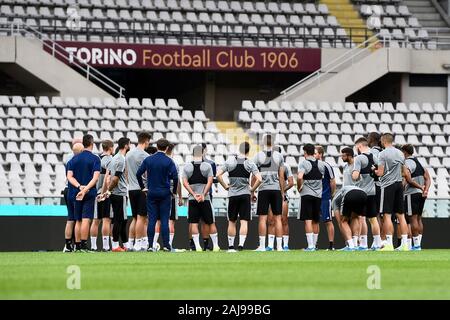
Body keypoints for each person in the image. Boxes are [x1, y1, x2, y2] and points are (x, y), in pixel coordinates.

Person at [216, 141, 262, 252]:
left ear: (239, 149)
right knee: (244, 221)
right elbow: (260, 179)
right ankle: (241, 245)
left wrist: (225, 186)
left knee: (232, 221)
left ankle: (231, 246)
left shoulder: (229, 161)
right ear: (248, 151)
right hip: (245, 195)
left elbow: (218, 175)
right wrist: (252, 189)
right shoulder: (250, 163)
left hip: (232, 195)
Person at [137, 138, 179, 252]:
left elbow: (138, 173)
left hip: (151, 192)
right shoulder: (169, 161)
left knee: (152, 220)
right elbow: (175, 177)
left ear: (157, 147)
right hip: (165, 193)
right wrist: (174, 192)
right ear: (166, 148)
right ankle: (166, 245)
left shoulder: (149, 159)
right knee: (165, 220)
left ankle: (150, 246)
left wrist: (143, 188)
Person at [374, 133, 410, 251]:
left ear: (383, 141)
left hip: (387, 185)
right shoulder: (400, 153)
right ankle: (405, 245)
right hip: (399, 184)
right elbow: (404, 172)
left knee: (387, 215)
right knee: (401, 216)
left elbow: (380, 172)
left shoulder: (382, 154)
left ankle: (389, 244)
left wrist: (374, 170)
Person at [66, 134, 101, 252]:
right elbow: (95, 178)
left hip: (76, 192)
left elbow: (69, 177)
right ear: (92, 143)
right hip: (89, 192)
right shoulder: (96, 159)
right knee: (86, 219)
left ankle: (77, 245)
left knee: (78, 219)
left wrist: (79, 187)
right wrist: (85, 190)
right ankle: (84, 245)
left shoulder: (73, 159)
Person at [182, 145, 219, 251]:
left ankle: (197, 246)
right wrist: (203, 194)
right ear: (202, 153)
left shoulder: (187, 166)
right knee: (209, 222)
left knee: (193, 223)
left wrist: (194, 194)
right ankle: (215, 246)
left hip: (193, 199)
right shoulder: (207, 166)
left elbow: (184, 183)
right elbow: (210, 181)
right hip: (205, 198)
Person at [253, 134, 285, 251]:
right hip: (276, 189)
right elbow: (281, 177)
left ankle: (262, 246)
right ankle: (280, 246)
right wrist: (282, 192)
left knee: (262, 218)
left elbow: (254, 175)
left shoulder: (258, 156)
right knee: (277, 218)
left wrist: (252, 191)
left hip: (263, 189)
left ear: (263, 142)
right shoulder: (279, 156)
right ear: (274, 142)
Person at [353, 137, 382, 251]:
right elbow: (380, 172)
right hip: (373, 191)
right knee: (373, 219)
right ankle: (377, 243)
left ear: (360, 146)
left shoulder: (359, 158)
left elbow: (355, 176)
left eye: (356, 147)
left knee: (361, 218)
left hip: (363, 192)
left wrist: (355, 174)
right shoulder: (374, 157)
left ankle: (363, 244)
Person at [401, 144, 430, 251]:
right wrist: (425, 190)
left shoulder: (407, 162)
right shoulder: (420, 163)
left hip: (411, 193)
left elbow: (408, 179)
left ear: (404, 152)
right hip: (421, 195)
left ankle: (415, 245)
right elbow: (428, 178)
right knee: (418, 219)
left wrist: (420, 187)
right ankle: (418, 244)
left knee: (411, 219)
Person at [104, 137, 131, 252]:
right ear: (126, 145)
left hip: (115, 193)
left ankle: (125, 244)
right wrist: (109, 190)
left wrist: (107, 191)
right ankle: (115, 245)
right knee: (119, 220)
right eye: (129, 144)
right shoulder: (121, 159)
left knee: (121, 219)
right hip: (119, 193)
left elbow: (108, 177)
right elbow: (115, 179)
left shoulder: (114, 159)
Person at [126, 131, 151, 251]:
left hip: (131, 189)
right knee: (142, 218)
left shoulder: (128, 154)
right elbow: (147, 174)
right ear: (146, 141)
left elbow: (126, 173)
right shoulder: (145, 156)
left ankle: (130, 243)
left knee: (135, 218)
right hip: (142, 190)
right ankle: (138, 243)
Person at [297, 143, 325, 251]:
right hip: (318, 195)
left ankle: (310, 246)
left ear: (305, 152)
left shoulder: (304, 163)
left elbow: (300, 177)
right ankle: (315, 245)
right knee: (316, 220)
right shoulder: (321, 164)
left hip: (307, 194)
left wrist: (299, 187)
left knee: (308, 220)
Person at [267, 146, 294, 251]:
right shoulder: (268, 166)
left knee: (284, 220)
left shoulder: (286, 166)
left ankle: (285, 245)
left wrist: (282, 190)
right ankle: (270, 245)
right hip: (271, 195)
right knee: (270, 220)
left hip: (282, 196)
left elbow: (291, 182)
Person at [90, 140, 114, 252]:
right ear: (110, 148)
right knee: (106, 220)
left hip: (95, 193)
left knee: (95, 220)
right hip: (105, 193)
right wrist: (105, 192)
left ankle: (93, 246)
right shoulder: (110, 160)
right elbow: (108, 179)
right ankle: (105, 246)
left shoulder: (96, 159)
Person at [332, 185, 367, 251]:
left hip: (350, 194)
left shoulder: (334, 201)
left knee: (343, 221)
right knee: (355, 218)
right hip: (363, 194)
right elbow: (359, 219)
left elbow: (340, 222)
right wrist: (358, 236)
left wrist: (347, 240)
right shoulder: (340, 195)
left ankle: (350, 246)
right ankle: (355, 244)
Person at [314, 145, 336, 251]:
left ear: (321, 154)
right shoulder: (311, 166)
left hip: (325, 197)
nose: (314, 155)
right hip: (314, 197)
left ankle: (331, 245)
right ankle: (314, 244)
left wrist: (330, 194)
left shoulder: (326, 166)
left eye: (315, 153)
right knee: (315, 221)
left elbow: (332, 181)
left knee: (328, 221)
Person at [63, 142, 84, 252]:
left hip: (67, 190)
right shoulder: (80, 162)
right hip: (76, 190)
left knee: (70, 219)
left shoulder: (69, 161)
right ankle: (77, 244)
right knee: (78, 220)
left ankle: (67, 245)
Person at [340, 147, 361, 247]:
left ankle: (352, 243)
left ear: (349, 155)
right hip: (347, 193)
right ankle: (353, 243)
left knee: (348, 219)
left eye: (343, 155)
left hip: (353, 193)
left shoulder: (356, 166)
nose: (341, 157)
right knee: (353, 218)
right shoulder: (345, 166)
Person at [166, 143, 183, 249]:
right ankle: (169, 245)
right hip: (171, 194)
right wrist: (179, 197)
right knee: (171, 221)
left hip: (157, 193)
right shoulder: (174, 164)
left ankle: (153, 244)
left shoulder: (156, 162)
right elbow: (177, 181)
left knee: (158, 221)